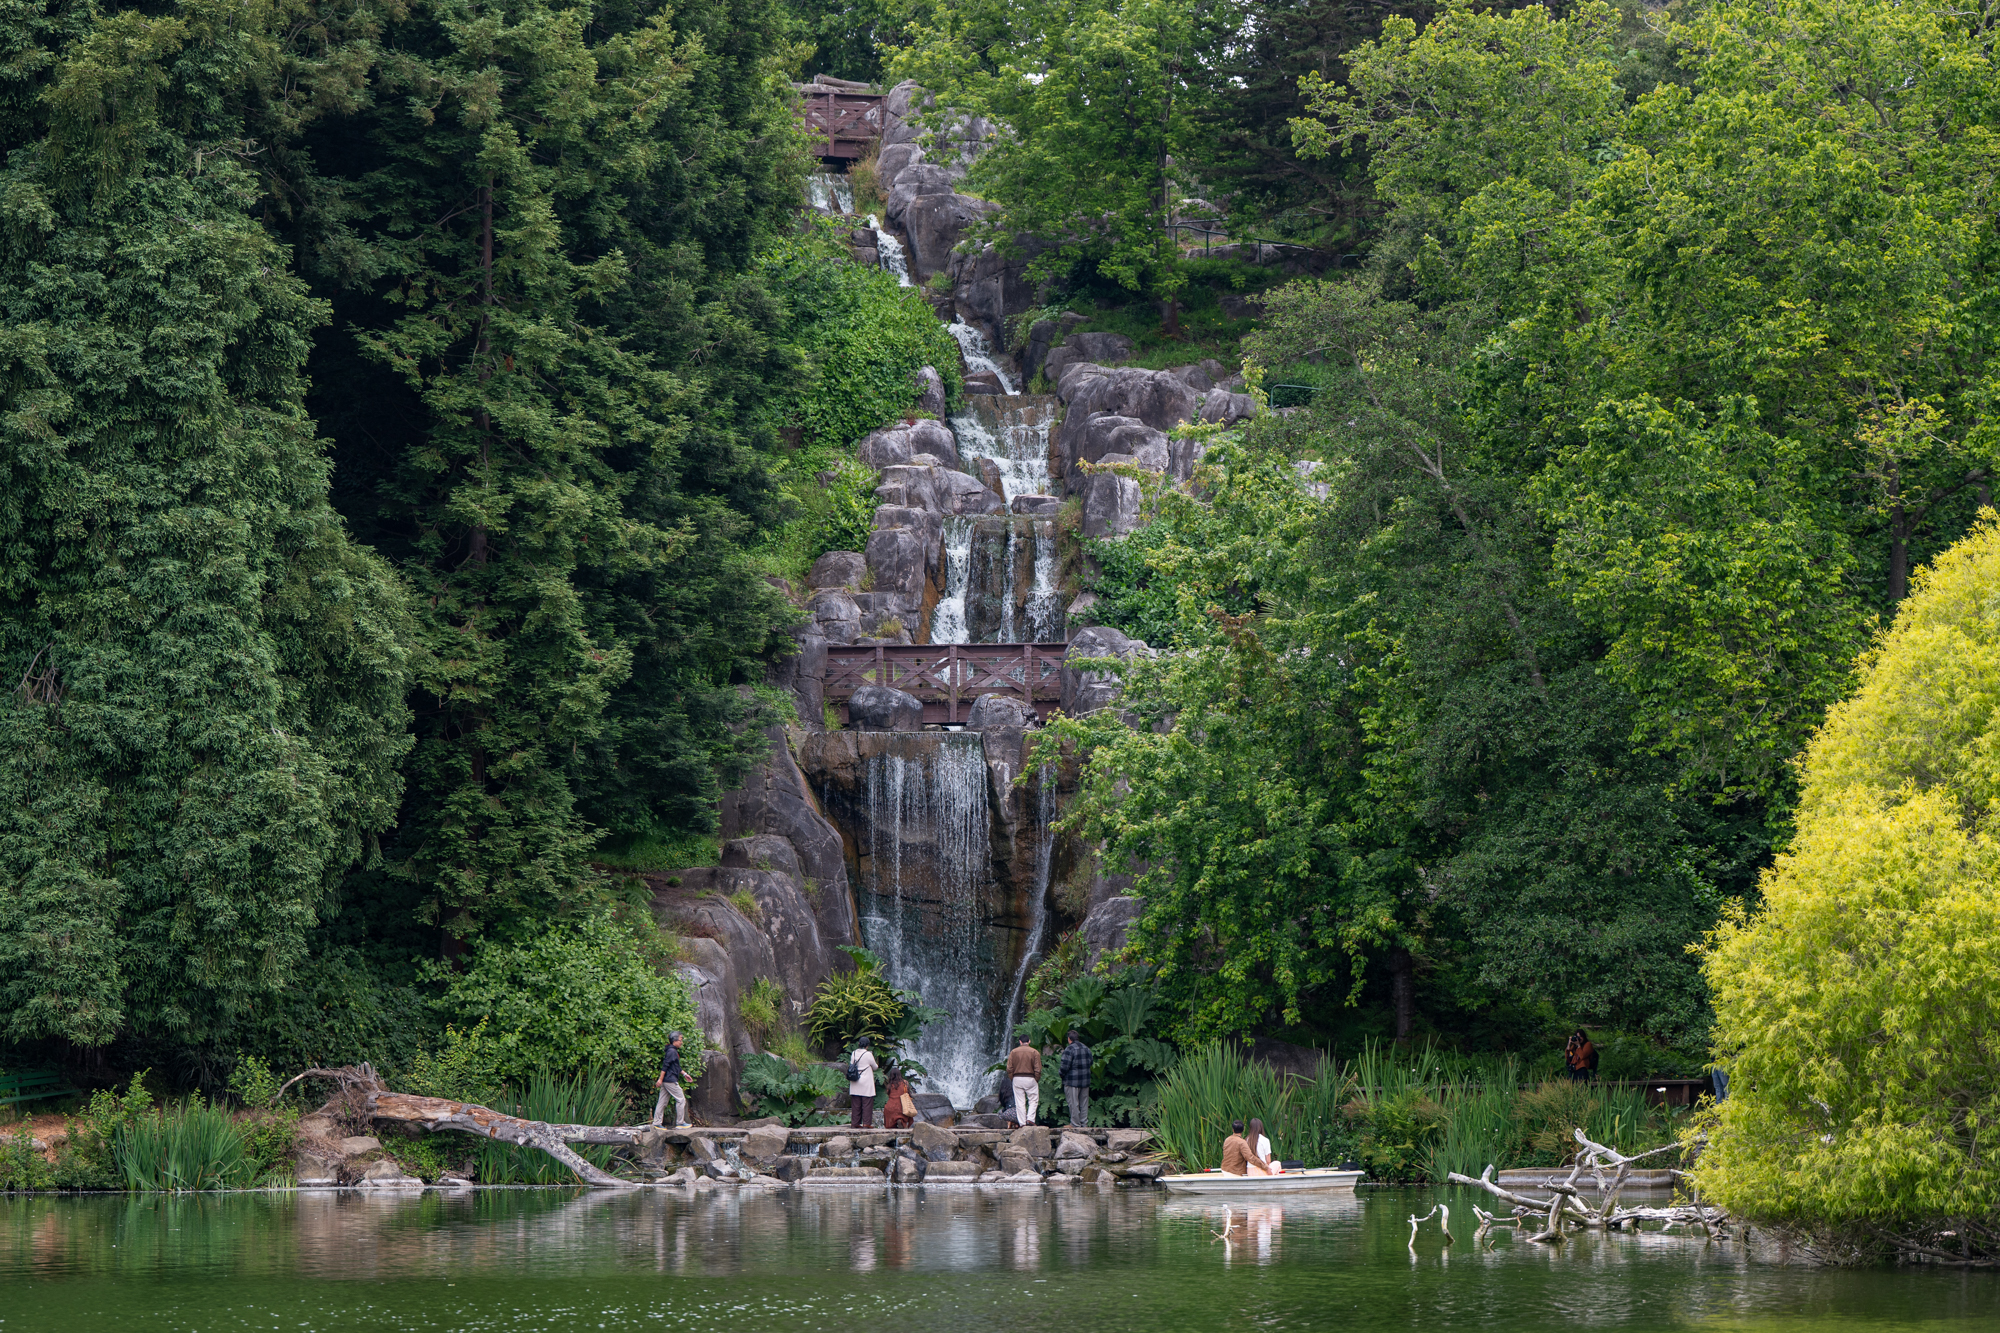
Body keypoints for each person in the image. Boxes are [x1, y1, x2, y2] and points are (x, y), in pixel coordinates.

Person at [652, 1030, 691, 1128]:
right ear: (674, 1041)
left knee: (662, 1102)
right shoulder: (672, 1052)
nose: (681, 1042)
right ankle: (680, 1122)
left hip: (667, 1080)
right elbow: (665, 1066)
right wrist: (660, 1079)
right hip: (670, 1080)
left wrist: (684, 1074)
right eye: (680, 1040)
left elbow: (676, 1066)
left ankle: (656, 1123)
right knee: (681, 1099)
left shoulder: (671, 1050)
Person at [1006, 1034, 1042, 1127]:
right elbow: (1038, 1069)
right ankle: (1030, 1119)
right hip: (1030, 1078)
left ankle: (1022, 1123)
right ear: (1029, 1041)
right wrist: (1036, 1079)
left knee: (1020, 1102)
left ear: (1020, 1042)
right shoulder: (1035, 1052)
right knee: (1033, 1100)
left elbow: (1009, 1068)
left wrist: (1012, 1078)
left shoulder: (1013, 1052)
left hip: (1017, 1078)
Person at [1059, 1028, 1093, 1127]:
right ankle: (1084, 1123)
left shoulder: (1069, 1049)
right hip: (1085, 1080)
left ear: (1069, 1039)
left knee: (1073, 1103)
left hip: (1072, 1081)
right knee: (1084, 1103)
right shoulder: (1086, 1048)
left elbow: (1064, 1066)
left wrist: (1061, 1074)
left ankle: (1075, 1124)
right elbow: (1091, 1062)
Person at [848, 1039, 880, 1128]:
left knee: (856, 1104)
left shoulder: (854, 1053)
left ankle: (855, 1123)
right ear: (867, 1045)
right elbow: (875, 1067)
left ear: (859, 1044)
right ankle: (866, 1123)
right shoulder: (868, 1054)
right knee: (867, 1104)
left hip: (855, 1081)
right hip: (866, 1082)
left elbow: (851, 1064)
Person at [882, 1065, 915, 1129]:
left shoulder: (889, 1085)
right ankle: (901, 1121)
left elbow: (888, 1094)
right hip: (902, 1106)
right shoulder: (905, 1083)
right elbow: (908, 1094)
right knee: (905, 1111)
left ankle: (893, 1124)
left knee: (889, 1114)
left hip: (890, 1107)